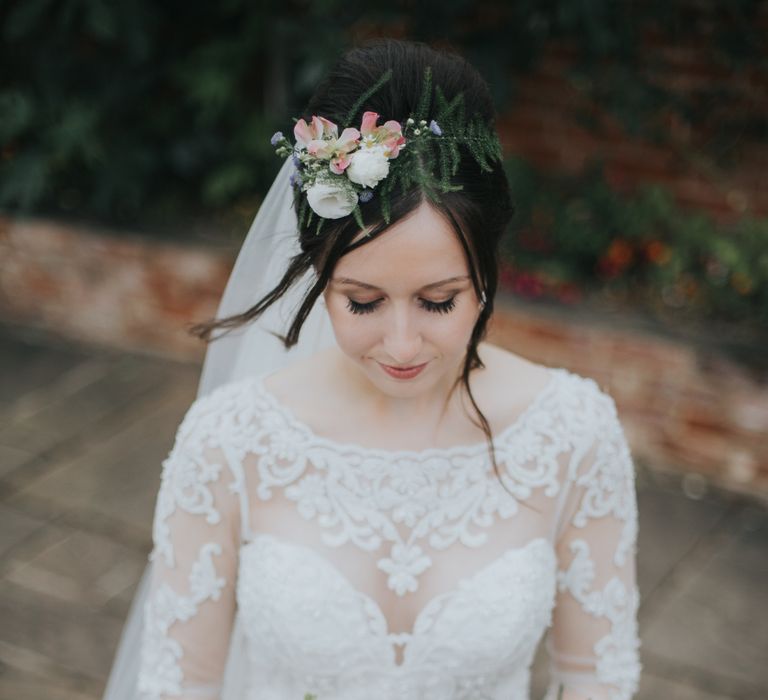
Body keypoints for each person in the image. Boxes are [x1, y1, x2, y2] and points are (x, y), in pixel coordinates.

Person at [102, 38, 641, 700]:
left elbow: (595, 677)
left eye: (438, 301)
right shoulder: (229, 441)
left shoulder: (573, 434)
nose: (402, 344)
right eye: (362, 302)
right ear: (320, 281)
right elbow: (179, 685)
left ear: (486, 278)